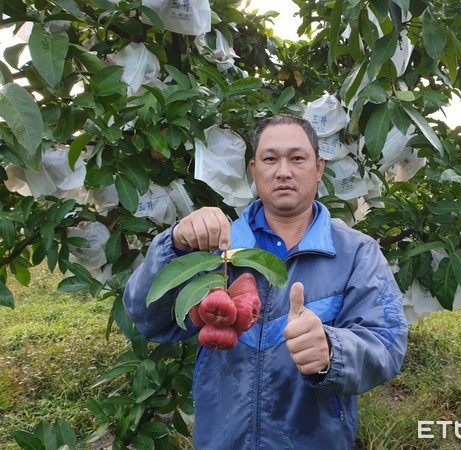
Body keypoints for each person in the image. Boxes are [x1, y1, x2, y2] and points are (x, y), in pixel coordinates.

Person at [123, 114, 408, 449]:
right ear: (253, 170)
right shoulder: (217, 246)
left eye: (297, 158)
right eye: (270, 159)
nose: (283, 171)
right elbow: (148, 319)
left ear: (318, 168)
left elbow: (387, 345)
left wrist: (334, 351)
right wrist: (174, 245)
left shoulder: (356, 253)